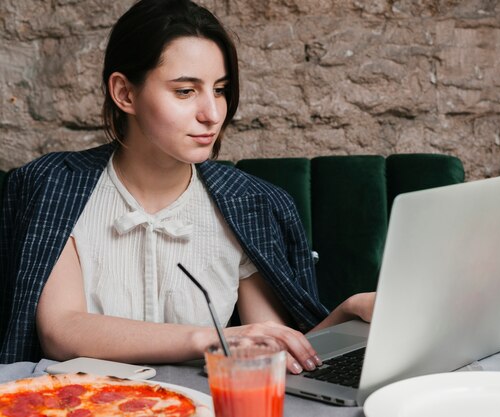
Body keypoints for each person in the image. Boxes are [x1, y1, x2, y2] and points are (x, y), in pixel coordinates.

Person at [0, 0, 374, 372]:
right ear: (125, 93)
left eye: (221, 89)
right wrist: (207, 338)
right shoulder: (54, 186)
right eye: (185, 91)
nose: (211, 114)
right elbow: (62, 330)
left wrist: (348, 311)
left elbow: (271, 356)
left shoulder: (251, 205)